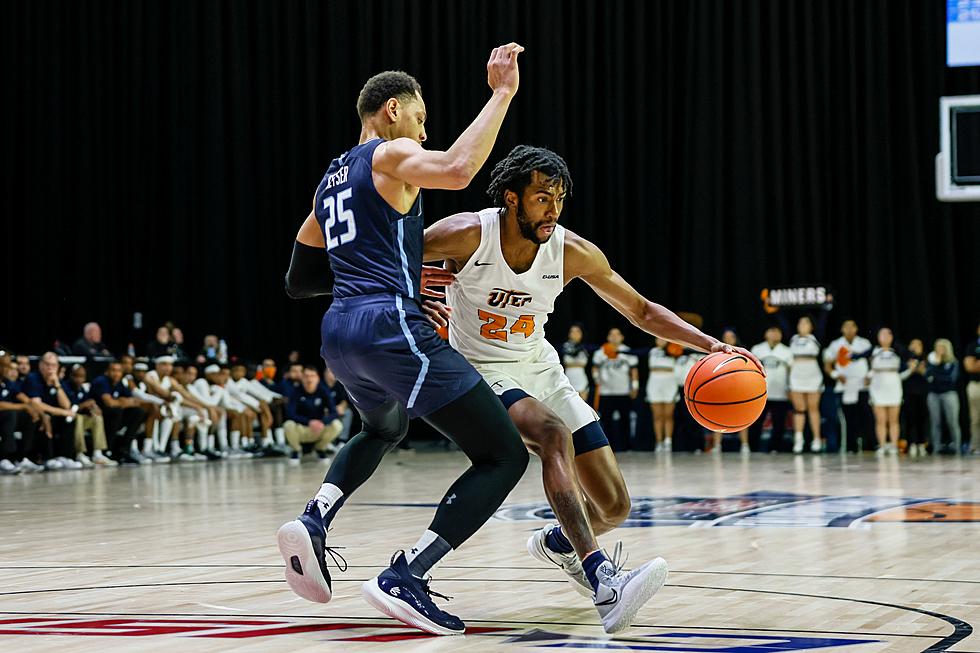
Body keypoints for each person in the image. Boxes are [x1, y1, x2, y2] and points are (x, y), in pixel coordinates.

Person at [422, 144, 762, 633]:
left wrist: (710, 346)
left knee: (614, 506)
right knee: (552, 434)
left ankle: (559, 543)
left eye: (559, 198)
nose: (553, 209)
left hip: (539, 366)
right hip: (481, 369)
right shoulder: (469, 232)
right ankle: (604, 579)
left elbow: (641, 311)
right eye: (542, 197)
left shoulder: (572, 251)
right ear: (512, 198)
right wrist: (409, 280)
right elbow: (383, 256)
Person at [277, 46, 533, 636]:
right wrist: (502, 94)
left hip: (340, 332)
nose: (423, 132)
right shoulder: (392, 152)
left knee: (382, 427)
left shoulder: (329, 180)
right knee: (503, 455)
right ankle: (408, 577)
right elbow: (460, 171)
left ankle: (316, 519)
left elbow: (301, 280)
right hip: (388, 327)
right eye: (420, 120)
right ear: (392, 110)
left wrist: (396, 271)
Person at [23, 352, 83, 470]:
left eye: (54, 365)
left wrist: (57, 386)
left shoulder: (57, 380)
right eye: (47, 364)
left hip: (55, 415)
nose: (50, 368)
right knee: (46, 418)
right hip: (38, 414)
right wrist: (63, 412)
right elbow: (37, 404)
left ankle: (64, 456)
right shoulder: (33, 378)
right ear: (40, 365)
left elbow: (66, 405)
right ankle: (47, 458)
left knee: (69, 418)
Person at [824, 320, 873, 453]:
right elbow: (827, 363)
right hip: (844, 386)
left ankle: (868, 445)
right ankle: (850, 446)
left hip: (861, 385)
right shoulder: (836, 344)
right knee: (848, 417)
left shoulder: (864, 343)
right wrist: (835, 375)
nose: (849, 329)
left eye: (852, 326)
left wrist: (870, 374)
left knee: (864, 415)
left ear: (856, 329)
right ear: (842, 329)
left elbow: (872, 360)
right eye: (846, 326)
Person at [867, 328, 914, 456]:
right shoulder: (873, 351)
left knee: (894, 419)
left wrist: (910, 370)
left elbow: (910, 361)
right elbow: (866, 366)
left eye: (888, 334)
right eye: (882, 334)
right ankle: (882, 445)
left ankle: (893, 445)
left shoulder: (898, 351)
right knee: (881, 419)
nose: (885, 337)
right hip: (878, 386)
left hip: (894, 386)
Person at [91, 361, 149, 464]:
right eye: (113, 370)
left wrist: (121, 402)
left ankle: (125, 450)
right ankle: (107, 451)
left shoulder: (119, 383)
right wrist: (121, 402)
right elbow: (109, 403)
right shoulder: (101, 381)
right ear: (107, 372)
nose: (116, 373)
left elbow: (134, 401)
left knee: (139, 412)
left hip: (115, 417)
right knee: (116, 412)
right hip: (99, 416)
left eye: (119, 371)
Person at [592, 328, 639, 451]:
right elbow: (595, 368)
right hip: (606, 392)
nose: (614, 337)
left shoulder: (627, 351)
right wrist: (597, 379)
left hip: (623, 391)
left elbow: (633, 370)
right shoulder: (601, 352)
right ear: (608, 337)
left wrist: (635, 386)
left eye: (617, 334)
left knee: (625, 420)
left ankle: (627, 446)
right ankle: (607, 447)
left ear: (622, 337)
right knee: (606, 420)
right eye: (611, 334)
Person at [284, 366, 343, 462]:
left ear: (317, 378)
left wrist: (323, 422)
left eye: (312, 376)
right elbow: (290, 414)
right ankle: (296, 450)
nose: (309, 379)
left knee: (337, 425)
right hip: (302, 428)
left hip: (319, 428)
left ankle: (320, 448)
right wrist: (309, 422)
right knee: (288, 425)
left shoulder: (323, 391)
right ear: (302, 378)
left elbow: (334, 413)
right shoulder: (295, 392)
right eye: (306, 376)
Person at [750, 326, 793, 453]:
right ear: (765, 334)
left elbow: (791, 372)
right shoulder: (757, 349)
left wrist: (789, 388)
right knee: (756, 422)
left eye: (777, 332)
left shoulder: (787, 351)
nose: (774, 334)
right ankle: (753, 448)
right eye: (772, 332)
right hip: (759, 393)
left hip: (780, 393)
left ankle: (775, 448)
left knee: (779, 423)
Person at [62, 364, 114, 466]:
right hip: (66, 421)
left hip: (80, 421)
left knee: (97, 417)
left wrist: (93, 408)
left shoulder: (82, 389)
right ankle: (80, 453)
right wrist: (83, 405)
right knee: (79, 418)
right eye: (76, 376)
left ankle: (97, 453)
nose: (79, 379)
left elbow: (87, 403)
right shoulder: (65, 386)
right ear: (70, 376)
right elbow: (69, 409)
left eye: (82, 377)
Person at [788, 315, 825, 453]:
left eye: (806, 323)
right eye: (800, 322)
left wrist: (825, 309)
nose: (803, 325)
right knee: (799, 409)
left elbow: (823, 322)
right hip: (797, 375)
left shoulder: (815, 338)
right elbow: (783, 322)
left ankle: (816, 439)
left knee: (813, 408)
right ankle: (799, 440)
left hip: (813, 375)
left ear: (811, 326)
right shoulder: (793, 339)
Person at [0, 355, 43, 473]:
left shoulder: (7, 382)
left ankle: (21, 457)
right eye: (4, 366)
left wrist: (39, 413)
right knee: (10, 414)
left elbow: (25, 398)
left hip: (6, 416)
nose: (7, 369)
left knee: (29, 417)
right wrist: (23, 406)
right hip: (4, 415)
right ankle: (5, 458)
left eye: (8, 366)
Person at [711, 328, 750, 454]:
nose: (728, 339)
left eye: (731, 336)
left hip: (738, 387)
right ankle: (717, 445)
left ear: (735, 338)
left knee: (743, 417)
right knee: (717, 417)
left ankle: (745, 445)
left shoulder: (742, 353)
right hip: (722, 387)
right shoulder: (717, 353)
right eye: (726, 336)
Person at [926, 338, 962, 454]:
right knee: (935, 422)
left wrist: (936, 376)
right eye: (938, 347)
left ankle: (957, 447)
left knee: (952, 421)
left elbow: (951, 379)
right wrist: (936, 364)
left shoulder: (953, 362)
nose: (940, 350)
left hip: (949, 394)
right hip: (934, 394)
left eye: (942, 348)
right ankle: (937, 447)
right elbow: (927, 376)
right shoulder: (932, 362)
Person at [646, 337, 677, 453]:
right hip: (654, 381)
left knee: (668, 415)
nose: (661, 340)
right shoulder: (651, 351)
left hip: (669, 381)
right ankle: (659, 442)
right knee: (657, 415)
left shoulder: (674, 350)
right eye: (658, 338)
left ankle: (668, 441)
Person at [902, 339, 929, 457]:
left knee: (922, 418)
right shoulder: (905, 360)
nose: (915, 347)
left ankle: (922, 443)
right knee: (910, 418)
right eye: (912, 344)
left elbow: (929, 375)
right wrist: (911, 369)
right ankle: (911, 443)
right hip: (909, 393)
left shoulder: (926, 359)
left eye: (918, 344)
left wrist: (921, 370)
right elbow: (901, 376)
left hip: (922, 393)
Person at [963, 321, 980, 454]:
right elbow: (970, 366)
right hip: (976, 386)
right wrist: (975, 365)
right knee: (976, 418)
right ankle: (975, 446)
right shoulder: (973, 346)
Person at [561, 324, 590, 400]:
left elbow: (585, 364)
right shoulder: (564, 347)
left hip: (581, 378)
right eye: (572, 331)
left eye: (577, 331)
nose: (575, 334)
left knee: (583, 404)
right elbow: (566, 362)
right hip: (568, 377)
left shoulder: (585, 348)